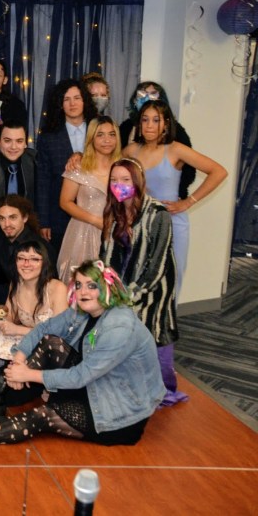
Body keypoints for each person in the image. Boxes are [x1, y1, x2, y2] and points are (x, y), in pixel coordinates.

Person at [0, 260, 165, 447]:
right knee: (51, 342)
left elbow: (81, 376)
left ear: (107, 288)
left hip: (118, 410)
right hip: (94, 384)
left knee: (43, 416)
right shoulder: (84, 310)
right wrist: (18, 362)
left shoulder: (119, 328)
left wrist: (27, 375)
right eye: (79, 285)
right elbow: (45, 328)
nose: (83, 291)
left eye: (92, 285)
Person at [123, 100, 226, 300]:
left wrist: (188, 201)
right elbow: (114, 179)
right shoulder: (130, 151)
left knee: (170, 280)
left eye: (156, 120)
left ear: (166, 124)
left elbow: (219, 171)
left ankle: (166, 320)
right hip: (139, 222)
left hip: (172, 223)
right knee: (137, 280)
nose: (149, 125)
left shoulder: (176, 149)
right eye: (145, 120)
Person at [99, 158, 181, 405]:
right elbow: (105, 256)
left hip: (155, 288)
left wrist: (131, 295)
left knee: (155, 335)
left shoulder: (158, 214)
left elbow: (158, 263)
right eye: (114, 180)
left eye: (125, 179)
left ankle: (162, 389)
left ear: (138, 181)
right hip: (123, 283)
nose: (119, 185)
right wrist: (107, 289)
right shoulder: (112, 212)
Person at [0, 238, 68, 422]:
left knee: (11, 393)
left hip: (51, 357)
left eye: (34, 259)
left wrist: (17, 329)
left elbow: (58, 336)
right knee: (5, 381)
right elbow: (9, 319)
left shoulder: (57, 288)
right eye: (21, 258)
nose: (26, 264)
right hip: (24, 349)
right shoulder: (16, 284)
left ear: (44, 263)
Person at [56, 116, 121, 283]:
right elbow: (65, 202)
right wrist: (95, 221)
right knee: (81, 284)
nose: (107, 140)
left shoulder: (122, 167)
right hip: (82, 233)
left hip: (114, 232)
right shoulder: (78, 166)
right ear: (91, 138)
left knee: (110, 284)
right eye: (100, 135)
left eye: (111, 134)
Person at [35, 79, 98, 246]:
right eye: (66, 99)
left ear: (85, 101)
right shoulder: (48, 137)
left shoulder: (99, 131)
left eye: (77, 98)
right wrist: (44, 221)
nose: (72, 104)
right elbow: (43, 180)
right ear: (60, 104)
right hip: (59, 215)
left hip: (95, 210)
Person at [119, 81, 196, 199]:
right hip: (135, 202)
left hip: (168, 199)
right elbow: (117, 168)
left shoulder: (176, 138)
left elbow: (190, 169)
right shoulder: (126, 129)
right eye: (142, 95)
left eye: (152, 94)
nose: (150, 126)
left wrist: (183, 197)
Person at [0, 195, 54, 303]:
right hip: (5, 298)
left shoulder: (40, 246)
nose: (7, 224)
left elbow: (50, 285)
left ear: (25, 218)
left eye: (12, 217)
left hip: (37, 299)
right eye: (1, 218)